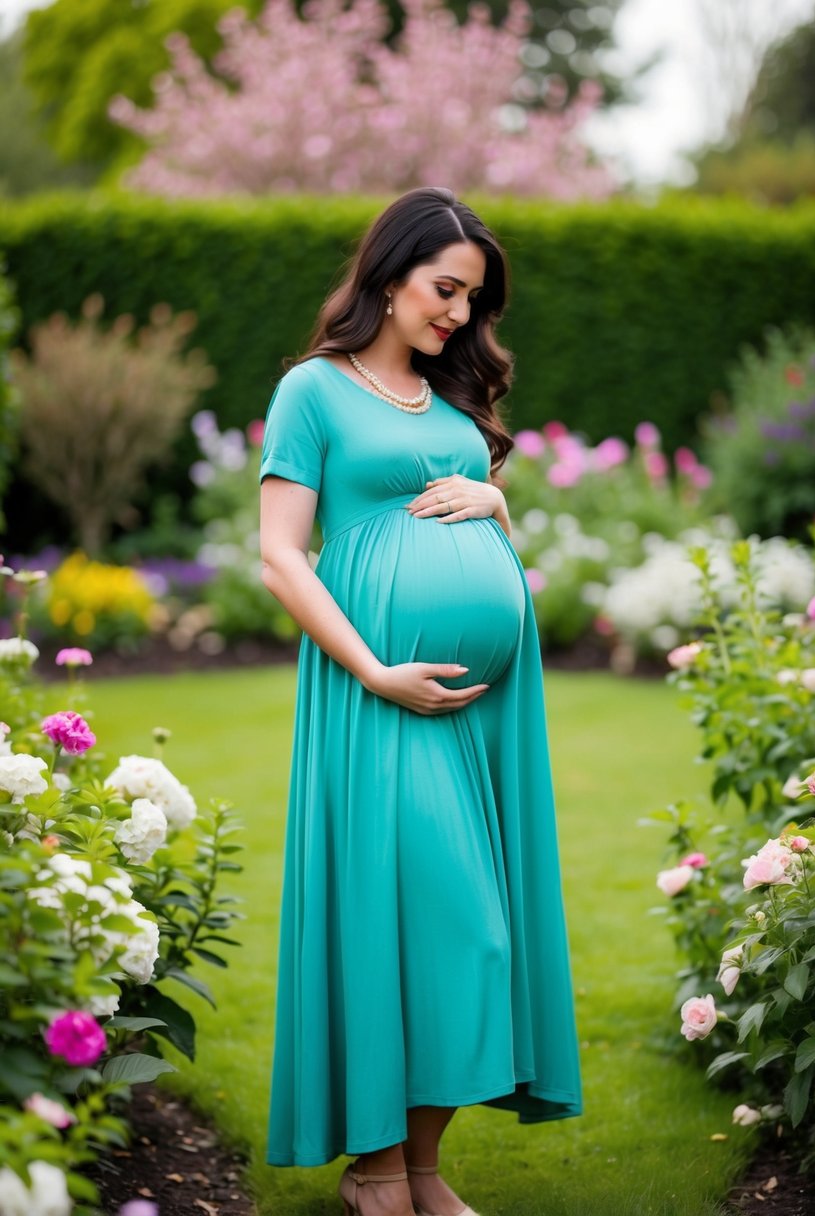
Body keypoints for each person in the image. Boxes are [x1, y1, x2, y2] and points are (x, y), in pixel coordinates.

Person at [258, 186, 582, 1216]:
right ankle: (374, 1170)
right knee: (429, 921)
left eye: (472, 301)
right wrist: (370, 667)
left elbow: (466, 498)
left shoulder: (448, 408)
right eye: (445, 289)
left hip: (478, 712)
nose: (458, 314)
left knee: (466, 934)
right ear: (389, 273)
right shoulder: (312, 391)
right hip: (381, 698)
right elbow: (279, 555)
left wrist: (493, 496)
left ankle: (420, 1168)